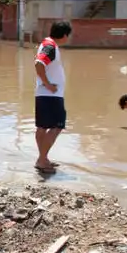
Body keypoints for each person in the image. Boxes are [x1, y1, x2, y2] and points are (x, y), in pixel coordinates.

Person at [34, 21, 72, 172]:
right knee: (57, 126)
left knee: (42, 127)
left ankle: (43, 158)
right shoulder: (51, 47)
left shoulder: (46, 44)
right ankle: (42, 160)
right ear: (64, 35)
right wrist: (48, 84)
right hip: (51, 95)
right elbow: (39, 64)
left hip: (44, 94)